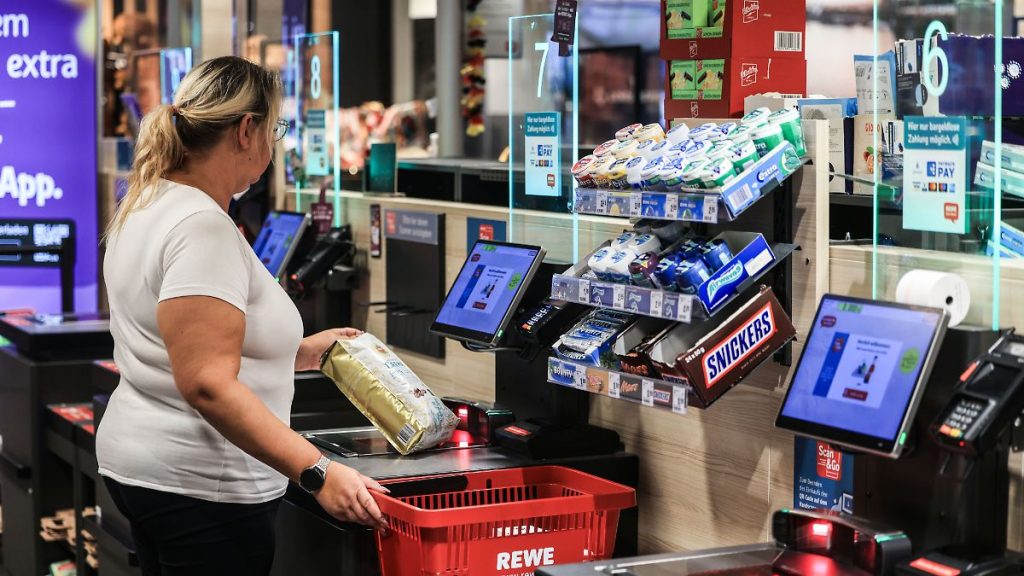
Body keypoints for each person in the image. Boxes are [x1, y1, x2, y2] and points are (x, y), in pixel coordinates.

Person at [97, 56, 387, 576]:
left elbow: (177, 338)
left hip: (148, 467)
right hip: (202, 485)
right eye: (274, 128)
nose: (274, 145)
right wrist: (318, 472)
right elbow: (207, 382)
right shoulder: (201, 225)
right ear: (246, 130)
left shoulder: (150, 202)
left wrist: (297, 352)